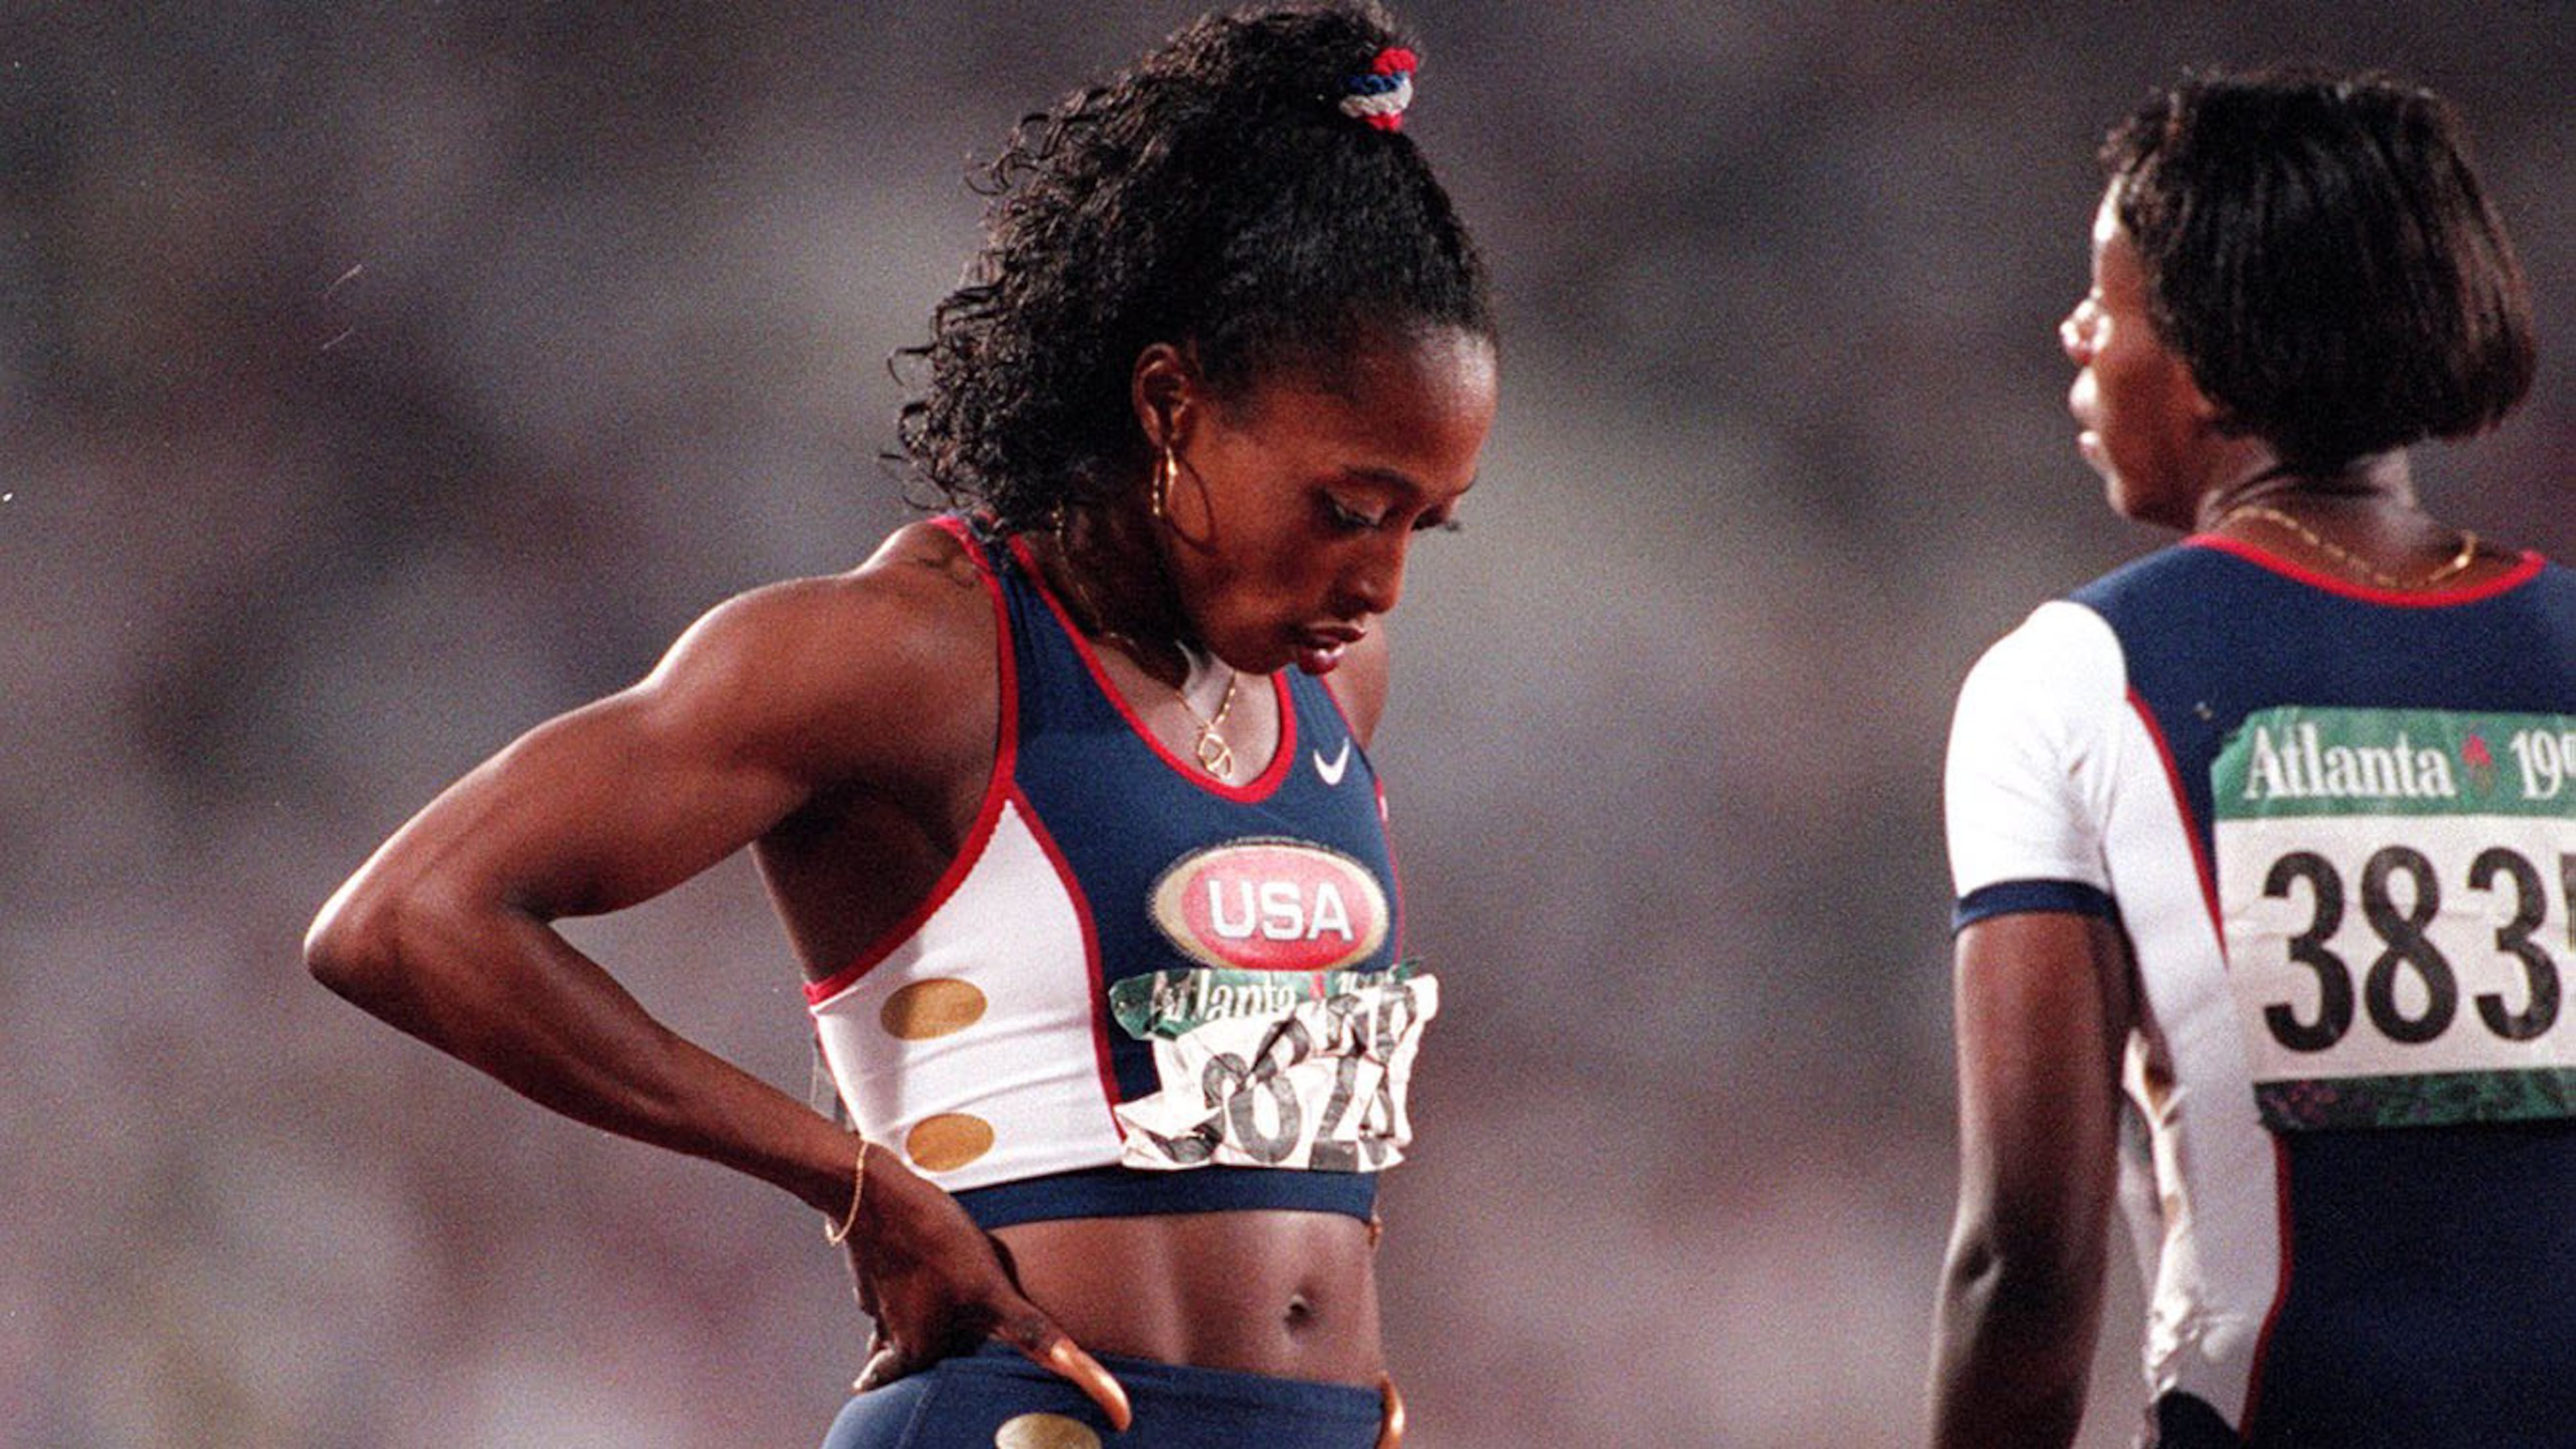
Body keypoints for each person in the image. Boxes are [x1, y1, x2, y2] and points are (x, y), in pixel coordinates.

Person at [304, 4, 1495, 1446]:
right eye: (1351, 509)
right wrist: (849, 1183)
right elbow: (407, 921)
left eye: (1426, 524)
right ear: (1169, 405)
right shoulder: (914, 656)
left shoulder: (1332, 680)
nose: (1381, 583)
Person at [1929, 68, 2570, 1449]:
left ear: (2215, 365)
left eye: (2108, 297)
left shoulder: (2072, 683)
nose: (2075, 330)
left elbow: (2025, 1268)